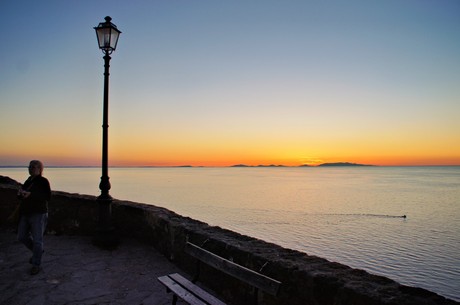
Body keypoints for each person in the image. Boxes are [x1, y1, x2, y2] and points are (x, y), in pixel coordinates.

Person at [17, 160, 51, 275]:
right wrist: (20, 194)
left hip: (38, 213)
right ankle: (38, 252)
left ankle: (36, 264)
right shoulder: (28, 180)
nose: (31, 168)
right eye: (30, 166)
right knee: (21, 237)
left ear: (40, 169)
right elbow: (23, 195)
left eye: (34, 167)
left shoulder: (43, 181)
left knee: (37, 240)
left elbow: (47, 196)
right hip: (26, 213)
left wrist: (31, 195)